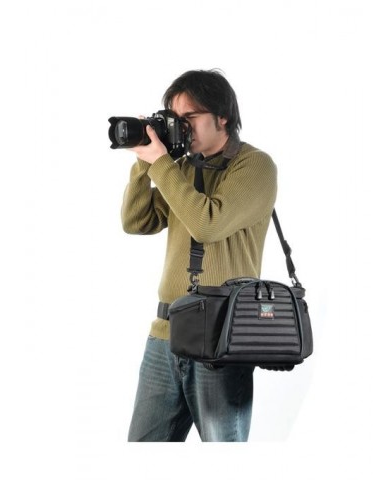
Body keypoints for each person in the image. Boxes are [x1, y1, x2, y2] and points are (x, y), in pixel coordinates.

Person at [121, 69, 277, 442]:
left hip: (221, 339)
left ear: (222, 116)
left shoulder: (255, 166)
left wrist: (162, 165)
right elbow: (136, 222)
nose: (181, 127)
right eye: (175, 118)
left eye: (189, 117)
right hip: (166, 333)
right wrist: (144, 164)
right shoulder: (183, 169)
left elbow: (207, 223)